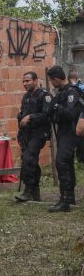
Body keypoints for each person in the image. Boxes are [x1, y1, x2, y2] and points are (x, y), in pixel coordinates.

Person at [47, 65, 84, 212]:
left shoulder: (71, 92)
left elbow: (70, 114)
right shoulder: (61, 92)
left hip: (70, 132)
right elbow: (50, 109)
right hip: (62, 132)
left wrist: (56, 107)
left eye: (51, 80)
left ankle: (65, 200)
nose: (51, 83)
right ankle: (69, 198)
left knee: (61, 162)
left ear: (56, 79)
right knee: (66, 163)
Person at [15, 71, 52, 202]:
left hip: (39, 133)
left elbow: (47, 115)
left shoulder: (45, 95)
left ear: (35, 81)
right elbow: (21, 115)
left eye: (27, 81)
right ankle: (35, 190)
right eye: (23, 81)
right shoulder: (26, 97)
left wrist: (30, 117)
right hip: (27, 133)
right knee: (30, 160)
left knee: (29, 158)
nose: (25, 84)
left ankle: (28, 190)